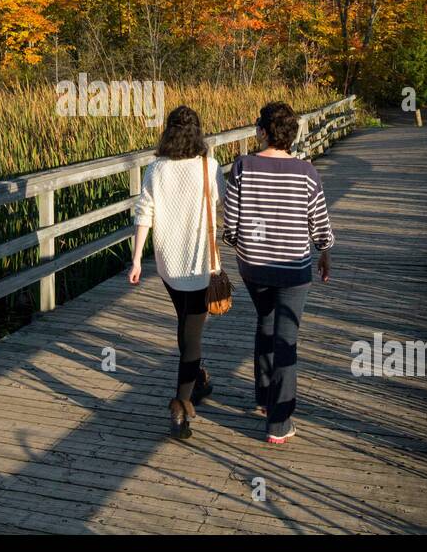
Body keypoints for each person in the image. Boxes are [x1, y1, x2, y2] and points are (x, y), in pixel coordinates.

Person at [223, 101, 333, 444]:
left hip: (253, 266)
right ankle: (279, 423)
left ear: (263, 131)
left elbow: (230, 227)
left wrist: (243, 245)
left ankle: (263, 397)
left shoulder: (243, 166)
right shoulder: (307, 172)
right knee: (285, 338)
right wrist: (325, 253)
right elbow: (321, 227)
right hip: (293, 269)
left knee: (265, 324)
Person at [129, 105, 225, 440]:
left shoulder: (155, 169)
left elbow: (144, 213)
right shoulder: (209, 167)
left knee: (185, 323)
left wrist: (138, 259)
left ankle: (197, 380)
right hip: (200, 262)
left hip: (168, 262)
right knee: (192, 335)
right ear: (198, 132)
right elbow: (221, 205)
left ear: (168, 132)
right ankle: (180, 403)